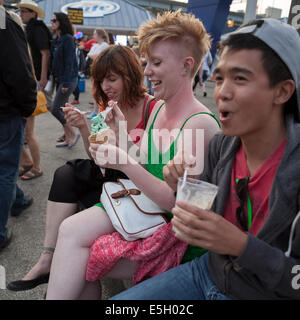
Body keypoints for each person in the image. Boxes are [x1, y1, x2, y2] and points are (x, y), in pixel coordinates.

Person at [110, 18, 300, 300]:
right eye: (220, 78)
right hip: (206, 273)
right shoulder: (222, 147)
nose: (222, 92)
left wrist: (241, 246)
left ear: (283, 91)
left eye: (240, 78)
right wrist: (181, 185)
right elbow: (193, 218)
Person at [45, 10, 220, 300]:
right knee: (72, 237)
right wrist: (121, 133)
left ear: (186, 66)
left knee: (79, 253)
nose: (147, 70)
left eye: (157, 62)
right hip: (146, 215)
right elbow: (144, 160)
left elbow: (178, 204)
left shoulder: (199, 124)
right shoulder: (161, 108)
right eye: (147, 61)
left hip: (174, 241)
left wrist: (122, 160)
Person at [7, 45, 156, 291]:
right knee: (68, 171)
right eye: (101, 80)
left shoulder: (152, 108)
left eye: (112, 78)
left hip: (135, 185)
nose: (106, 86)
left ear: (130, 75)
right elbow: (96, 155)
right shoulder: (106, 105)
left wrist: (119, 130)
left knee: (75, 202)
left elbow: (143, 164)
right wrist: (84, 128)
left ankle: (60, 267)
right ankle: (47, 258)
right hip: (111, 176)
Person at [0, 1, 36, 249]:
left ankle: (17, 200)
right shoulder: (3, 22)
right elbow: (19, 70)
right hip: (5, 111)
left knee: (7, 168)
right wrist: (27, 107)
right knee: (6, 170)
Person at [16, 0, 51, 180]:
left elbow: (45, 53)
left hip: (32, 82)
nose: (21, 14)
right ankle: (30, 164)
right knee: (25, 134)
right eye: (19, 11)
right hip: (31, 82)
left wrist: (43, 77)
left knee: (28, 134)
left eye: (24, 11)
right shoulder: (27, 29)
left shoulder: (35, 29)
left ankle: (35, 167)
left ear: (33, 13)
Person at [50, 12, 80, 148]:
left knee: (55, 109)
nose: (52, 22)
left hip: (68, 79)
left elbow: (69, 62)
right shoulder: (57, 39)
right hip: (60, 79)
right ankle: (68, 137)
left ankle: (73, 134)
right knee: (63, 109)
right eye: (51, 20)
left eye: (54, 20)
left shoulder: (67, 38)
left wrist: (66, 82)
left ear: (61, 22)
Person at [86, 28, 109, 119]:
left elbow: (96, 56)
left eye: (95, 34)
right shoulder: (95, 45)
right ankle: (96, 111)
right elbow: (92, 55)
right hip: (94, 70)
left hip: (101, 70)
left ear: (100, 35)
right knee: (96, 91)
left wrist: (91, 55)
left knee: (100, 91)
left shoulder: (104, 45)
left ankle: (99, 111)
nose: (93, 36)